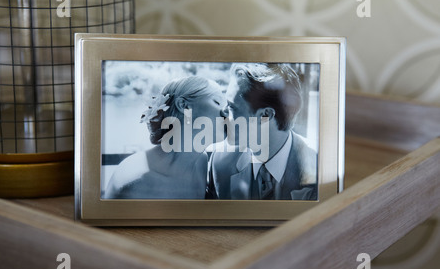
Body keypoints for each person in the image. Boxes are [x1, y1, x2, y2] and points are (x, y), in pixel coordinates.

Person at [207, 63, 318, 200]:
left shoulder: (320, 170)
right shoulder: (219, 162)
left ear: (265, 115)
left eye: (231, 107)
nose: (222, 113)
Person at [105, 76, 227, 199]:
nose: (226, 111)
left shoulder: (200, 162)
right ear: (184, 106)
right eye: (217, 102)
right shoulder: (139, 181)